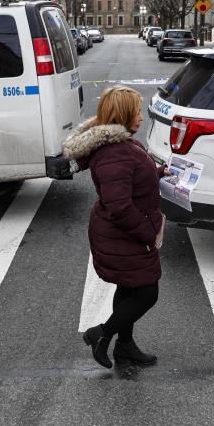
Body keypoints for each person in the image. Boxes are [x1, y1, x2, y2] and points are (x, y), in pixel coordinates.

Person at [62, 85, 169, 369]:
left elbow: (128, 183)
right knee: (147, 293)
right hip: (125, 235)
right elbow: (119, 206)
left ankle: (125, 346)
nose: (141, 117)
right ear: (122, 115)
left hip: (124, 234)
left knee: (130, 288)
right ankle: (102, 334)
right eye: (136, 112)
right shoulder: (116, 152)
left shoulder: (123, 146)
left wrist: (159, 173)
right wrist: (148, 235)